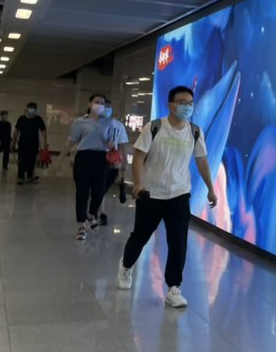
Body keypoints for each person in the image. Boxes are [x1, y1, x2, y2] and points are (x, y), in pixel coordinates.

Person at [117, 86, 217, 308]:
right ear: (171, 104)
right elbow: (139, 157)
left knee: (178, 242)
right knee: (140, 237)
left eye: (190, 103)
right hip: (151, 194)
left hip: (179, 194)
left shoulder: (195, 132)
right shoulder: (154, 128)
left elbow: (202, 161)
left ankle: (173, 288)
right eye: (182, 102)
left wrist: (210, 188)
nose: (187, 106)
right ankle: (126, 265)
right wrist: (139, 183)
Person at [65, 93, 115, 240]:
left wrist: (111, 146)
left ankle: (91, 214)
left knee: (99, 191)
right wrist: (61, 159)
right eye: (97, 102)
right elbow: (71, 142)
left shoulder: (108, 122)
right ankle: (81, 225)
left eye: (102, 103)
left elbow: (110, 140)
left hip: (101, 159)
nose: (100, 105)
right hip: (83, 158)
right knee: (82, 191)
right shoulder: (80, 122)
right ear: (89, 104)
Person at [96, 99, 129, 225]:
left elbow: (122, 146)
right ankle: (101, 212)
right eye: (103, 106)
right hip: (96, 158)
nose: (106, 109)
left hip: (112, 160)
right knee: (99, 187)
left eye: (108, 106)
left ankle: (98, 211)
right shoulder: (92, 123)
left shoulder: (118, 125)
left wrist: (124, 163)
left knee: (102, 188)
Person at [13, 102, 48, 185]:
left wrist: (45, 141)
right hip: (23, 143)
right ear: (27, 109)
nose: (31, 110)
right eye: (30, 108)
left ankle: (29, 176)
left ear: (35, 110)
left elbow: (43, 131)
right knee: (22, 160)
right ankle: (20, 177)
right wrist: (13, 142)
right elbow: (16, 131)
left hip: (34, 143)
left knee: (32, 160)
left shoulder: (38, 119)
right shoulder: (21, 119)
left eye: (33, 109)